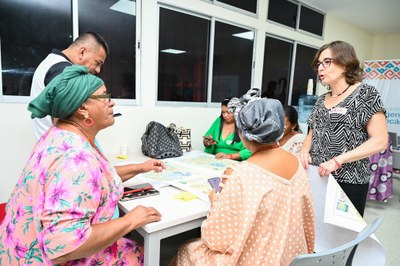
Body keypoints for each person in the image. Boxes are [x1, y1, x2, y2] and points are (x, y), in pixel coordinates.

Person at [0, 65, 164, 265]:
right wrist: (131, 220)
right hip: (50, 259)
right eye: (105, 97)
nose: (112, 103)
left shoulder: (59, 135)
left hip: (17, 250)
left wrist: (140, 167)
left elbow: (99, 179)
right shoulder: (76, 158)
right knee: (152, 254)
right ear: (82, 108)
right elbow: (64, 246)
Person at [171, 88, 315, 265]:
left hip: (255, 259)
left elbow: (217, 240)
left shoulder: (242, 174)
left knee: (186, 249)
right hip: (292, 256)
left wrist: (215, 199)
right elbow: (308, 221)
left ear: (243, 133)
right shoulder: (296, 164)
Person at [298, 40, 388, 216]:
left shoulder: (365, 94)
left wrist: (338, 160)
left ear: (346, 64)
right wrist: (304, 149)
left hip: (349, 180)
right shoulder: (320, 100)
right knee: (316, 230)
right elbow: (313, 132)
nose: (320, 68)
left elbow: (380, 140)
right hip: (317, 177)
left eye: (327, 62)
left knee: (344, 236)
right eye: (318, 64)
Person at [30, 31, 109, 140]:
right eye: (97, 62)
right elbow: (70, 118)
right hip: (62, 144)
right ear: (82, 52)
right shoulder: (63, 71)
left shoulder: (53, 62)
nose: (98, 69)